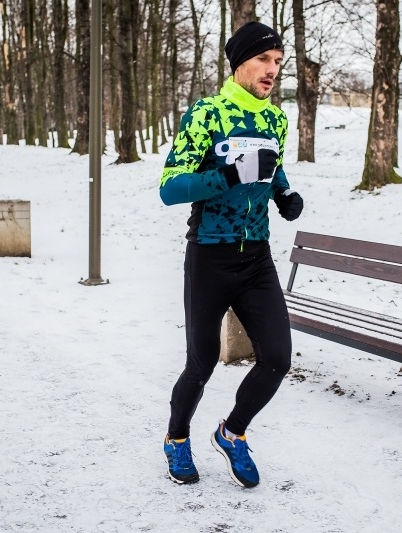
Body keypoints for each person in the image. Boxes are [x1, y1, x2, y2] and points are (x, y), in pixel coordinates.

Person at [159, 21, 304, 488]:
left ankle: (231, 432)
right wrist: (226, 176)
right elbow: (169, 188)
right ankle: (176, 440)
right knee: (201, 363)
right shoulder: (207, 114)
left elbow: (272, 163)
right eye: (264, 60)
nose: (272, 70)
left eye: (278, 63)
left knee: (278, 358)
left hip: (256, 257)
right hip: (210, 256)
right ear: (240, 62)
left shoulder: (275, 119)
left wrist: (284, 195)